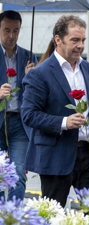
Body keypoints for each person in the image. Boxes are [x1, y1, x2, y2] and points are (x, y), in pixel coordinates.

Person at [21, 15, 89, 224]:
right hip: (56, 155)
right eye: (74, 40)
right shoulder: (39, 74)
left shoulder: (88, 69)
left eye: (83, 41)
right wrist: (64, 122)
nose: (80, 46)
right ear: (58, 40)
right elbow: (29, 114)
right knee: (54, 216)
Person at [0, 10, 37, 200]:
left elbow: (38, 95)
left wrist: (32, 78)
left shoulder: (29, 57)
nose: (11, 35)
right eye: (7, 30)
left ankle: (13, 216)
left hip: (20, 124)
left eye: (15, 30)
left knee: (19, 174)